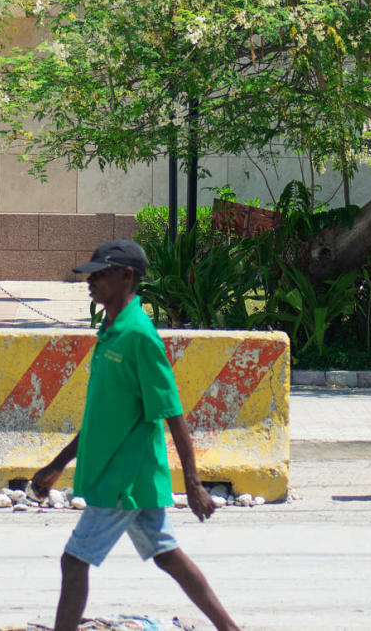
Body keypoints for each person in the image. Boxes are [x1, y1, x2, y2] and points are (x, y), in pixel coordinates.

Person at [31, 239, 241, 631]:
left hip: (123, 477)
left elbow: (172, 412)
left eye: (99, 273)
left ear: (126, 276)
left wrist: (193, 484)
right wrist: (56, 465)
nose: (89, 280)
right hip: (123, 473)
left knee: (73, 562)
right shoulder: (111, 329)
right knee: (167, 555)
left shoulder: (140, 336)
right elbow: (102, 417)